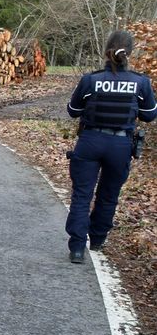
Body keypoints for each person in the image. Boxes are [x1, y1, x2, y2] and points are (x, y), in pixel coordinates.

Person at [65, 30, 156, 264]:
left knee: (82, 195)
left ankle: (77, 247)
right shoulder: (141, 82)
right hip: (120, 144)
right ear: (130, 52)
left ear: (106, 50)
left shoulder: (91, 80)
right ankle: (97, 239)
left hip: (90, 141)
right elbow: (149, 116)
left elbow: (73, 111)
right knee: (109, 195)